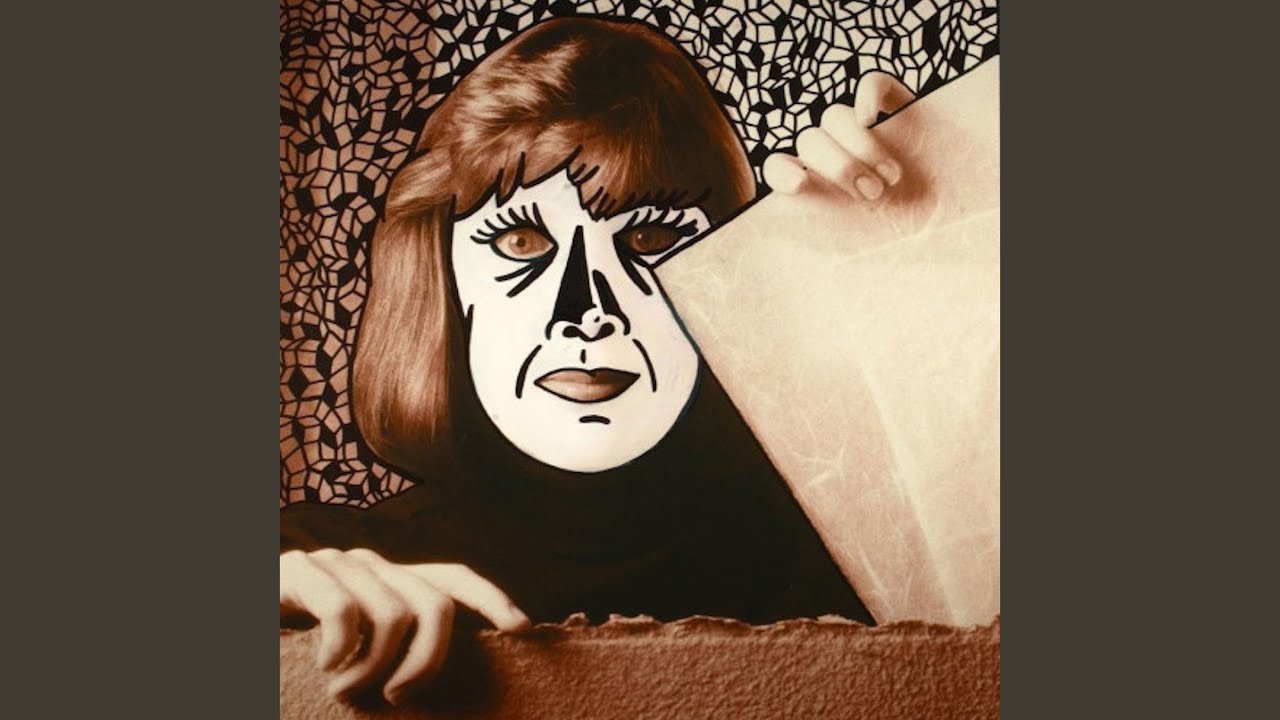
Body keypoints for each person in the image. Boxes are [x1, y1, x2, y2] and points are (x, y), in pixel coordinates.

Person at [280, 16, 913, 706]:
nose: (586, 311)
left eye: (648, 238)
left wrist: (948, 242)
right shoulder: (316, 561)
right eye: (521, 242)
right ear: (440, 276)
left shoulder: (873, 561)